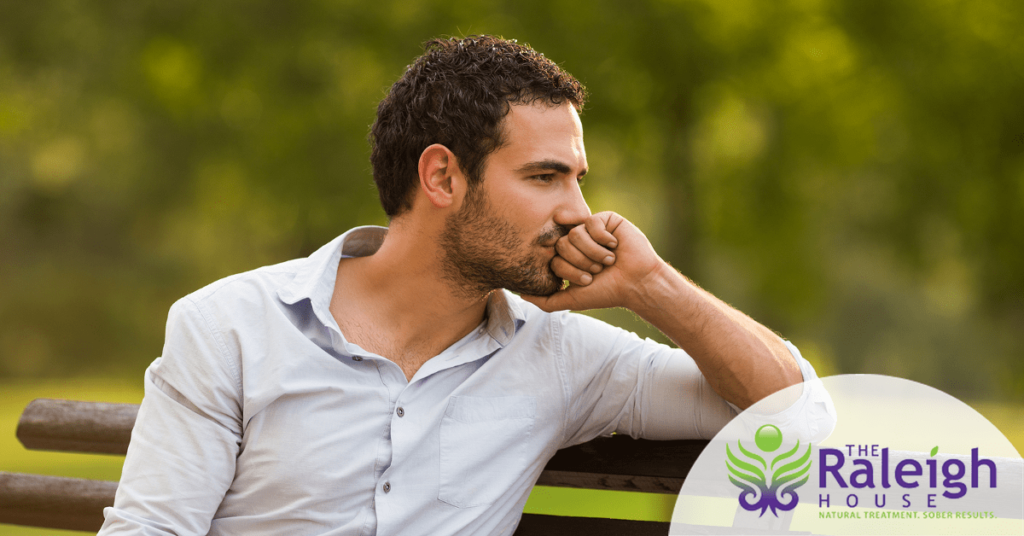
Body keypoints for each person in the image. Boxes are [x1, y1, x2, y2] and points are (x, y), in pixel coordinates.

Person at [99, 35, 820, 536]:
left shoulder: (564, 357)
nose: (578, 210)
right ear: (442, 176)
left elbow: (800, 411)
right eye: (544, 177)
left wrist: (653, 286)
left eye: (577, 178)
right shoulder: (231, 327)